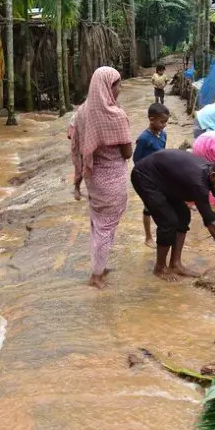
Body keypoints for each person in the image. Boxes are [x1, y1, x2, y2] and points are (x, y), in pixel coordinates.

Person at [131, 150, 215, 279]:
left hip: (165, 179)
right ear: (213, 176)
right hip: (144, 177)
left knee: (183, 216)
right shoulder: (199, 183)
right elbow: (211, 223)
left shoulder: (214, 176)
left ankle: (175, 264)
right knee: (168, 221)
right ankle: (160, 268)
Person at [70, 67, 133, 289]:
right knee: (107, 227)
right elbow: (127, 153)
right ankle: (96, 275)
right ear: (108, 87)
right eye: (118, 85)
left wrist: (77, 178)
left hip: (93, 178)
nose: (120, 89)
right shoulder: (116, 115)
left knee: (98, 224)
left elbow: (75, 140)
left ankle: (100, 265)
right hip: (112, 179)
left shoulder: (82, 111)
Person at [134, 102, 169, 248]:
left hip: (159, 176)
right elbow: (136, 159)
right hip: (146, 177)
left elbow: (162, 154)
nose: (164, 125)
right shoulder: (143, 139)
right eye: (162, 122)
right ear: (151, 119)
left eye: (166, 122)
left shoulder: (163, 135)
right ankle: (148, 237)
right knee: (148, 207)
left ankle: (162, 230)